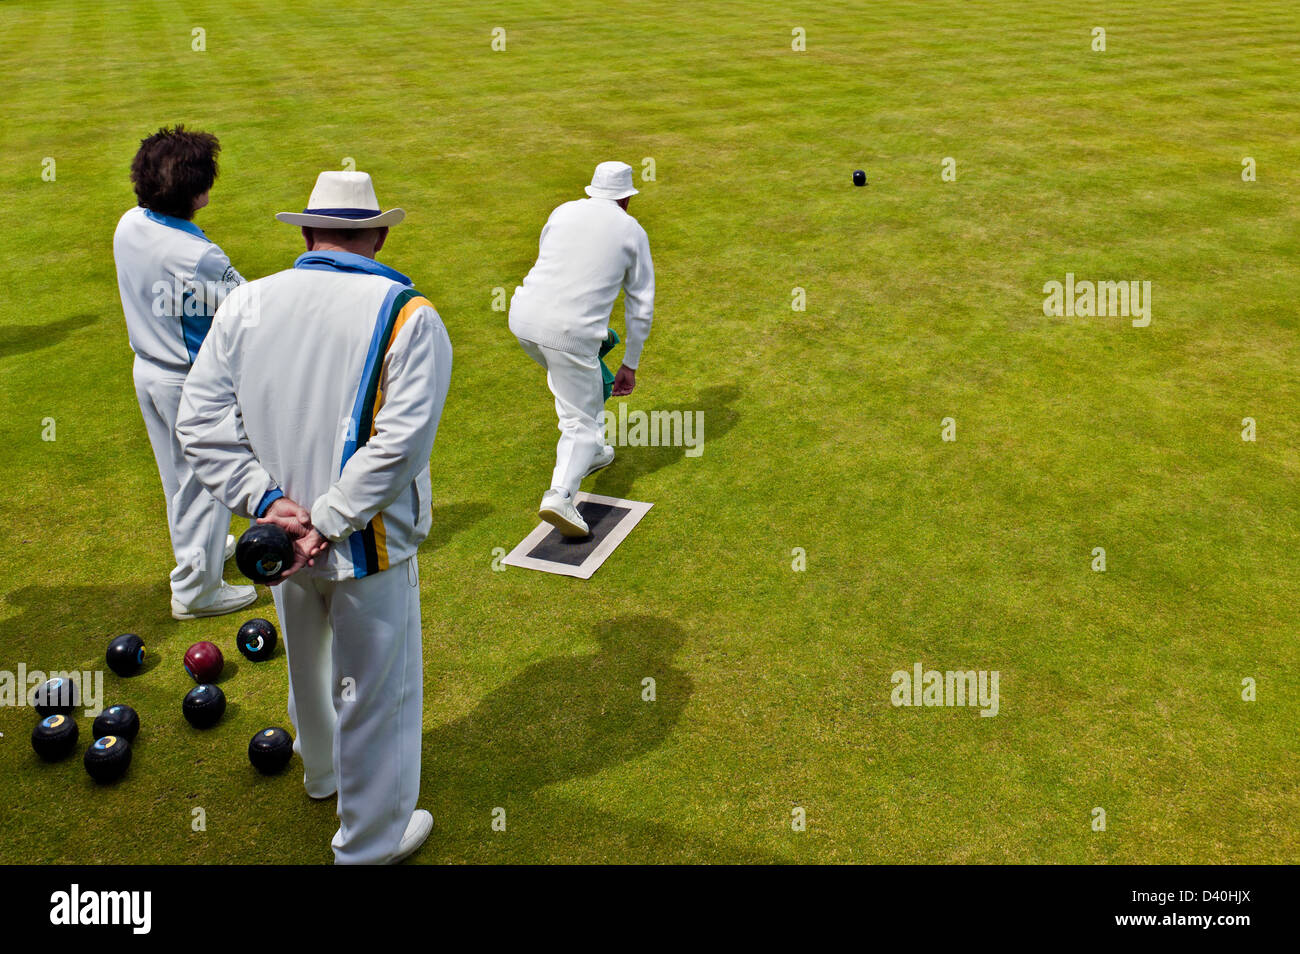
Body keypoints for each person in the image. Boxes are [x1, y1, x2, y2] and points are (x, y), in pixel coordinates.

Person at [175, 171, 453, 864]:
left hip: (279, 540)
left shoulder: (248, 303)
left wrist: (272, 507)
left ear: (306, 234)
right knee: (378, 693)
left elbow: (200, 421)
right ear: (380, 234)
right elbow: (401, 445)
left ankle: (322, 773)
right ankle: (368, 842)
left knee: (308, 666)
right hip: (364, 544)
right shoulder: (408, 313)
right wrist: (324, 523)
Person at [113, 125, 254, 619]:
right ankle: (196, 591)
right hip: (187, 381)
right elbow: (248, 309)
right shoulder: (199, 257)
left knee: (179, 476)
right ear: (199, 191)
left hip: (147, 370)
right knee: (205, 479)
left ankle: (204, 553)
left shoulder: (129, 223)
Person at [508, 160, 655, 536]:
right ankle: (560, 495)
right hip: (570, 334)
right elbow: (640, 307)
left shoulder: (563, 211)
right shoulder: (631, 230)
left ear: (592, 189)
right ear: (626, 198)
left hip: (523, 319)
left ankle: (593, 452)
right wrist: (630, 364)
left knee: (573, 390)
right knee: (582, 420)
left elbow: (556, 266)